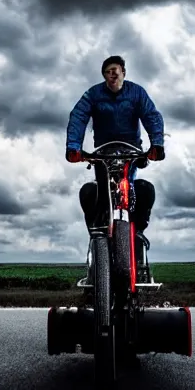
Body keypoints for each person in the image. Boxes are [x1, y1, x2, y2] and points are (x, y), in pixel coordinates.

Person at [65, 55, 166, 260]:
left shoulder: (137, 93)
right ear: (104, 75)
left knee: (141, 189)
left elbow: (151, 116)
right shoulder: (93, 94)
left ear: (123, 73)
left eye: (116, 70)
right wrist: (73, 147)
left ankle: (137, 231)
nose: (112, 74)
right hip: (103, 152)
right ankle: (98, 231)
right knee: (96, 191)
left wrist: (157, 144)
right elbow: (78, 116)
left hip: (131, 151)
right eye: (108, 71)